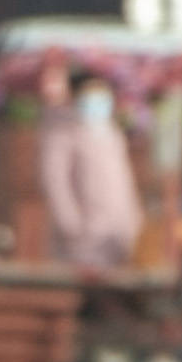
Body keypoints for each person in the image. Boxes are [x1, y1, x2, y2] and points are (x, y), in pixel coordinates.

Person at [31, 72, 145, 274]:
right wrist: (71, 224)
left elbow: (123, 183)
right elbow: (55, 182)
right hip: (84, 233)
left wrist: (133, 220)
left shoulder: (111, 133)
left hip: (116, 230)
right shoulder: (61, 133)